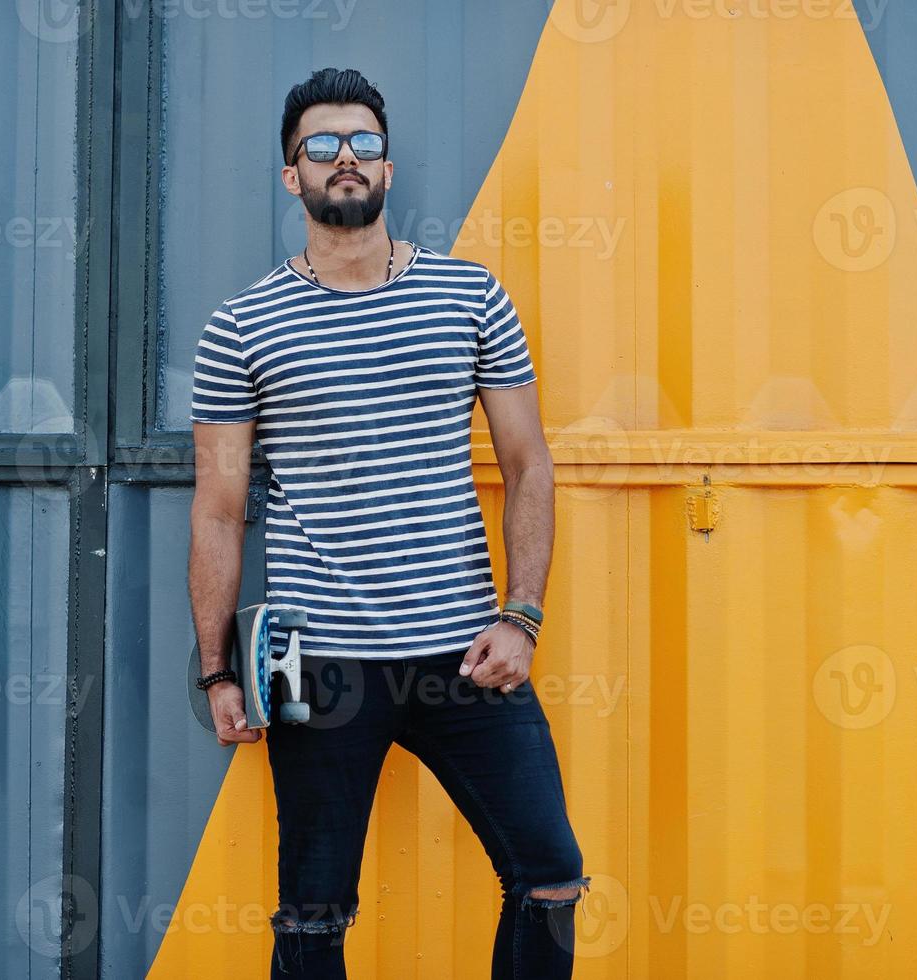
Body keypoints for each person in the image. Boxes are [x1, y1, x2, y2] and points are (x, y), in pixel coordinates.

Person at [187, 66, 588, 980]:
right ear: (291, 177)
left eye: (363, 143)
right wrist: (214, 668)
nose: (344, 159)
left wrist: (520, 616)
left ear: (388, 168)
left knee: (551, 877)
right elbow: (217, 509)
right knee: (312, 916)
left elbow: (528, 465)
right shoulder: (241, 325)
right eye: (319, 146)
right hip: (318, 662)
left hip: (465, 653)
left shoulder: (468, 296)